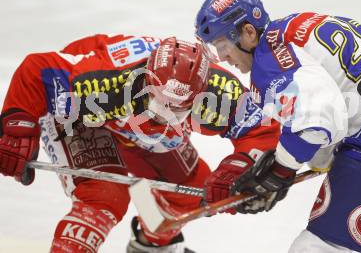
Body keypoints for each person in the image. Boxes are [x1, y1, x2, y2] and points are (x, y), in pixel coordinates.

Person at [194, 0, 361, 252]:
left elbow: (316, 120)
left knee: (319, 247)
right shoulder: (303, 23)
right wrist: (322, 155)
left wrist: (280, 170)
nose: (221, 57)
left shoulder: (270, 61)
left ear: (248, 32)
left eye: (223, 44)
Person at [0, 34, 280, 253]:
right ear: (147, 79)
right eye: (158, 101)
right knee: (105, 194)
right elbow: (36, 71)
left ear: (200, 96)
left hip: (133, 128)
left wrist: (241, 172)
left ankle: (151, 246)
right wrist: (18, 126)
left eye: (177, 110)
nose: (163, 115)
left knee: (193, 192)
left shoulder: (221, 93)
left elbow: (261, 132)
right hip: (85, 118)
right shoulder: (100, 82)